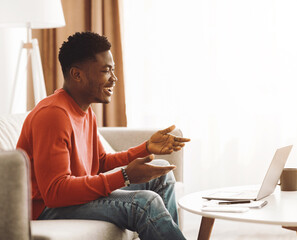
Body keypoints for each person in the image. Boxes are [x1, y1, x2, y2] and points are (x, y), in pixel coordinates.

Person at [16, 31, 190, 240]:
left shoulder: (85, 110)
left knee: (162, 173)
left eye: (113, 70)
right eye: (106, 71)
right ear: (77, 74)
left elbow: (99, 162)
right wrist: (124, 176)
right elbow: (55, 192)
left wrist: (145, 149)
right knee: (145, 203)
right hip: (44, 209)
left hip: (69, 197)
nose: (114, 79)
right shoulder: (53, 114)